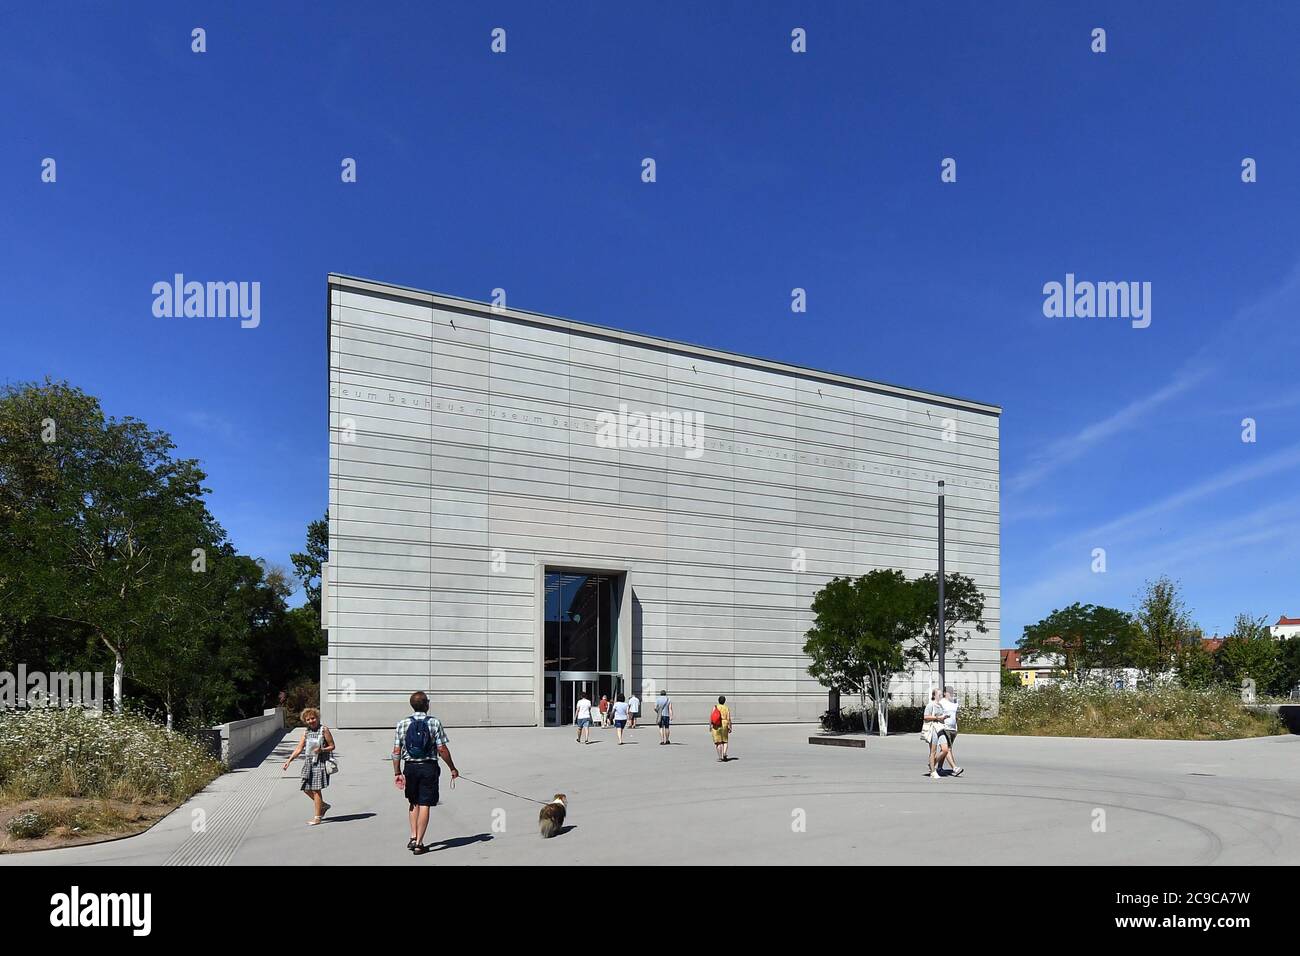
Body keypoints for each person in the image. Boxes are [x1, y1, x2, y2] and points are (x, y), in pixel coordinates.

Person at [392, 690, 460, 855]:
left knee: (413, 802)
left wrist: (397, 772)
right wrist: (452, 767)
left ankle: (413, 836)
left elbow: (396, 751)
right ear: (426, 704)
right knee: (425, 803)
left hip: (410, 767)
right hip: (428, 766)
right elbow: (441, 749)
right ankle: (419, 844)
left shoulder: (402, 723)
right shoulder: (434, 722)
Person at [282, 708, 335, 825]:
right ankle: (324, 805)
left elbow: (332, 746)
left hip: (320, 763)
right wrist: (289, 760)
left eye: (313, 718)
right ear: (305, 721)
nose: (311, 721)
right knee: (305, 788)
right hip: (308, 763)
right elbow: (299, 748)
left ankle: (317, 817)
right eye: (308, 719)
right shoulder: (306, 732)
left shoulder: (324, 730)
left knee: (316, 790)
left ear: (317, 718)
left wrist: (322, 749)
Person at [935, 685, 963, 777]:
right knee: (947, 749)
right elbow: (936, 713)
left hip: (953, 729)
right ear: (944, 693)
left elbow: (956, 714)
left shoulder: (955, 702)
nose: (951, 693)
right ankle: (955, 768)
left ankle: (937, 766)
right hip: (944, 728)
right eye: (949, 692)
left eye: (952, 692)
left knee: (945, 750)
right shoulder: (941, 702)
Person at [922, 688, 945, 779]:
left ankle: (932, 764)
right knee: (933, 751)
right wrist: (937, 718)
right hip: (933, 729)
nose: (941, 697)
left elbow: (940, 717)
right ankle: (932, 771)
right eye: (939, 695)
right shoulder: (930, 705)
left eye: (941, 695)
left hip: (940, 728)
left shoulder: (940, 705)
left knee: (945, 749)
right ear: (934, 696)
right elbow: (926, 717)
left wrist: (944, 718)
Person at [710, 695, 733, 762]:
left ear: (718, 701)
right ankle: (724, 753)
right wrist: (730, 726)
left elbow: (711, 717)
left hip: (716, 725)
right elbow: (729, 718)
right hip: (724, 724)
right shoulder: (726, 708)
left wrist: (710, 725)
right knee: (725, 741)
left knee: (718, 742)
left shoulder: (715, 707)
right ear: (724, 701)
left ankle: (720, 757)